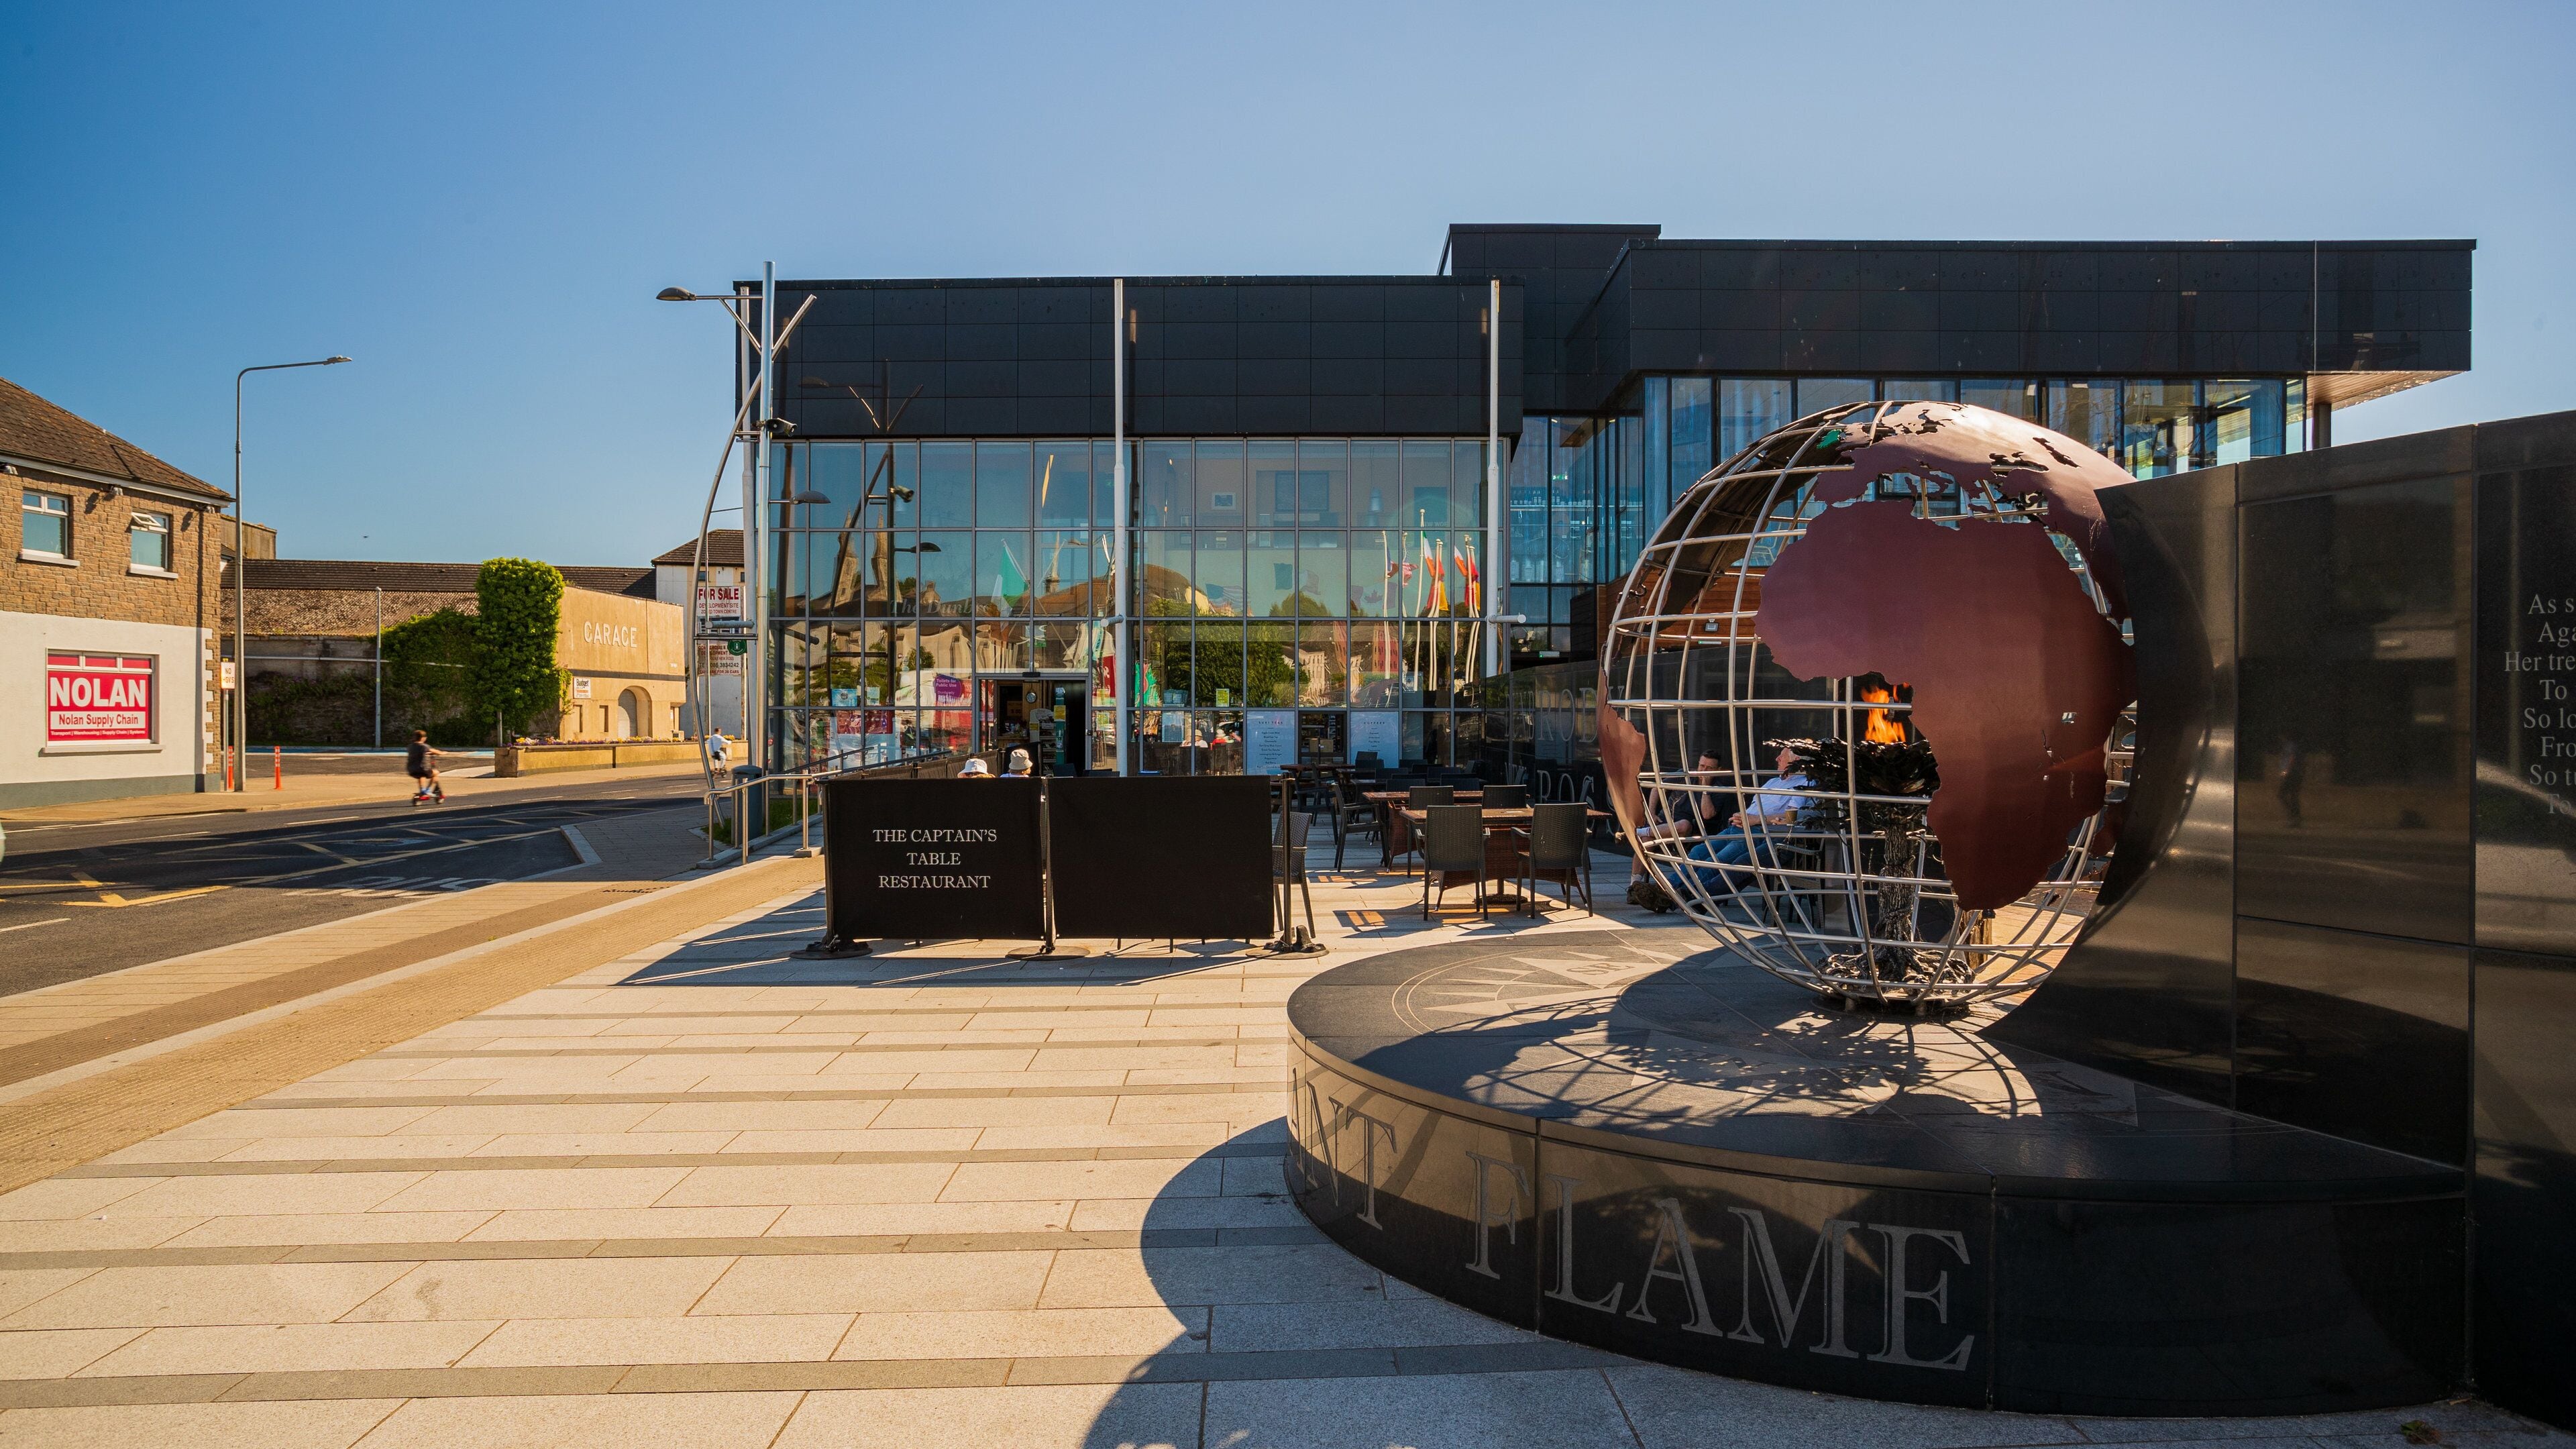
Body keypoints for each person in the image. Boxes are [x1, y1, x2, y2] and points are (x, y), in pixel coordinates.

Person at [1695, 742, 1813, 875]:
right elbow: (1754, 808)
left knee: (1715, 861)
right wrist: (1741, 816)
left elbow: (1792, 817)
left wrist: (1756, 819)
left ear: (1796, 761)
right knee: (1697, 852)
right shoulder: (1773, 782)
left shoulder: (1804, 783)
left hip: (1756, 831)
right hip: (1738, 827)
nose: (1777, 759)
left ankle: (1689, 892)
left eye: (1782, 756)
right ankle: (1673, 886)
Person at [1629, 751, 1725, 885]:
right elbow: (1656, 789)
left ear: (1718, 770)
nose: (1704, 771)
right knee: (1646, 841)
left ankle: (1636, 833)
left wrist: (1706, 789)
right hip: (1664, 823)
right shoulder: (1685, 774)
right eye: (1702, 766)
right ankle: (1635, 884)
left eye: (1710, 768)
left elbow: (1707, 815)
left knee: (1684, 825)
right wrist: (1651, 813)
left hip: (1691, 832)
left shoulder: (1719, 788)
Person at [405, 730, 446, 805]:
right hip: (423, 768)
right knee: (436, 773)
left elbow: (417, 752)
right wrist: (443, 753)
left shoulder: (410, 746)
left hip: (411, 769)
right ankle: (428, 790)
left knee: (421, 776)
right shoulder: (424, 746)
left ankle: (423, 790)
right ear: (423, 738)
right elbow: (436, 752)